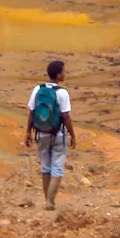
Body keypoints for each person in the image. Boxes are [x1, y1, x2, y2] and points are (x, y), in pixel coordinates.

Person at [25, 60, 76, 210]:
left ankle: (47, 200)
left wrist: (28, 133)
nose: (65, 74)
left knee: (46, 167)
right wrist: (73, 135)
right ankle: (50, 202)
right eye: (64, 71)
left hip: (41, 133)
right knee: (57, 168)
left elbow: (31, 112)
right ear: (58, 74)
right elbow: (65, 116)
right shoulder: (62, 93)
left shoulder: (37, 89)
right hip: (58, 134)